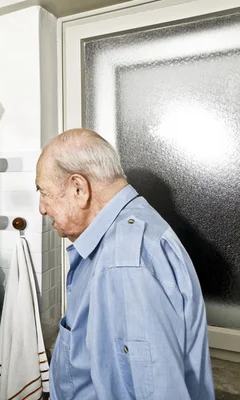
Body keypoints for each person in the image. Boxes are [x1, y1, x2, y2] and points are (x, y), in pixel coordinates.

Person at [37, 129, 214, 399]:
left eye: (45, 193)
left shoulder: (123, 262)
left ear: (78, 188)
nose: (41, 207)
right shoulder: (132, 230)